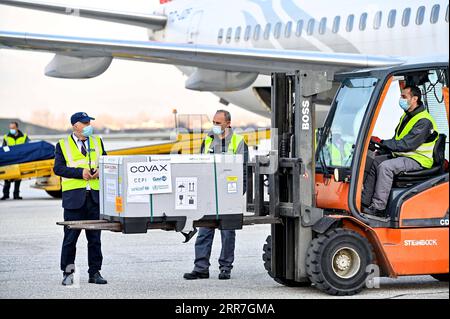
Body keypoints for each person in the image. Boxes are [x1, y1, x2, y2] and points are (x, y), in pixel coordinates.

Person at [184, 110, 248, 280]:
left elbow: (244, 170)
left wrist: (238, 193)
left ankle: (225, 267)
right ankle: (201, 268)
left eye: (218, 123)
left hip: (228, 195)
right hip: (208, 194)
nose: (215, 126)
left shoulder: (238, 141)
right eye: (214, 122)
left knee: (227, 232)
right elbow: (199, 164)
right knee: (204, 230)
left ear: (228, 123)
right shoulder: (208, 139)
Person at [362, 86, 439, 216]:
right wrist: (381, 147)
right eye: (401, 96)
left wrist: (382, 143)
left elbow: (407, 144)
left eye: (404, 97)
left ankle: (378, 207)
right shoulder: (407, 116)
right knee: (375, 161)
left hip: (418, 159)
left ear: (415, 99)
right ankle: (364, 202)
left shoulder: (424, 121)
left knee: (386, 167)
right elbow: (397, 139)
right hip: (404, 155)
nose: (401, 99)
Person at [53, 112, 108, 286]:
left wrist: (102, 170)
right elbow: (58, 169)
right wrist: (80, 173)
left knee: (95, 239)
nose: (88, 125)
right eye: (85, 123)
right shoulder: (62, 145)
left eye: (89, 122)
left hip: (94, 197)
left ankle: (95, 273)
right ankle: (68, 273)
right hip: (74, 199)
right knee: (70, 239)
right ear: (75, 125)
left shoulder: (97, 141)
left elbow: (107, 162)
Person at [1, 121, 30, 200]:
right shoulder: (6, 137)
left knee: (18, 178)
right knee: (7, 178)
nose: (11, 129)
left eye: (13, 128)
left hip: (20, 159)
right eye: (10, 128)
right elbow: (3, 148)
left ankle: (16, 195)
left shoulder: (24, 136)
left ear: (17, 128)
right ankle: (5, 194)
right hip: (9, 159)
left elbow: (28, 147)